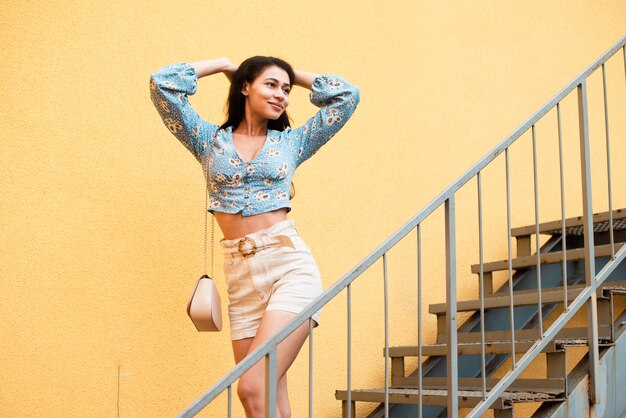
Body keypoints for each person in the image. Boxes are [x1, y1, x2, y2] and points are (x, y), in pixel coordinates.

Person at [149, 56, 360, 417]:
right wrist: (221, 66)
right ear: (245, 87)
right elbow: (162, 84)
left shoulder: (292, 142)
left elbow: (346, 95)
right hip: (240, 277)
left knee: (250, 384)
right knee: (262, 398)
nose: (281, 95)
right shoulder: (207, 140)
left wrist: (291, 73)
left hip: (288, 265)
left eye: (286, 89)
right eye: (271, 84)